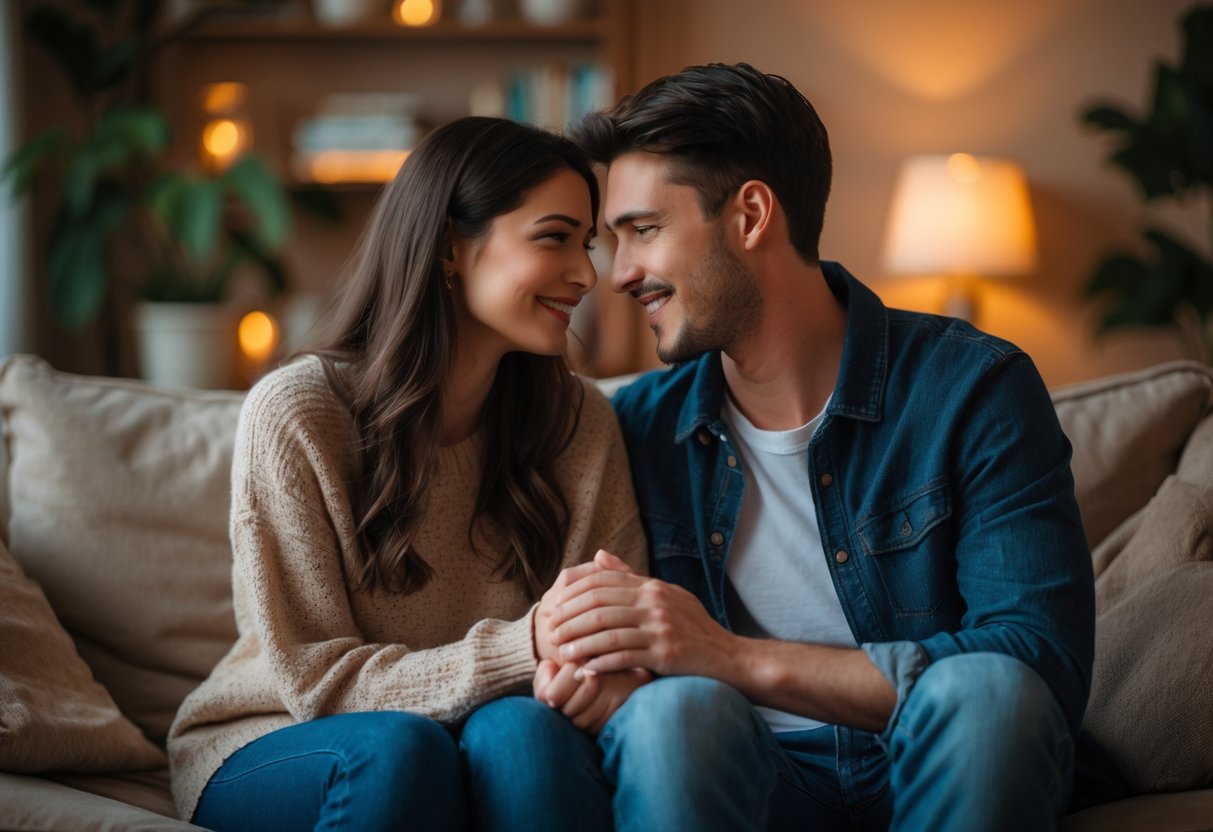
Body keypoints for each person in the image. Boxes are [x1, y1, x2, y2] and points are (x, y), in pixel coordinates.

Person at [536, 63, 1096, 831]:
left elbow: (1039, 663)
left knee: (987, 691)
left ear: (751, 215)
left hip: (932, 756)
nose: (621, 273)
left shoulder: (971, 388)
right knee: (670, 717)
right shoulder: (634, 426)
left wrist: (730, 655)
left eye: (643, 230)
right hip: (751, 775)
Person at [166, 116, 648, 831]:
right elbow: (316, 685)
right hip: (280, 738)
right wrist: (529, 645)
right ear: (451, 246)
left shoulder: (578, 424)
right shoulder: (300, 414)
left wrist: (603, 676)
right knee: (401, 750)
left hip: (486, 728)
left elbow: (607, 633)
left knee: (523, 736)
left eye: (588, 244)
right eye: (554, 238)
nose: (587, 275)